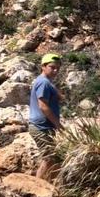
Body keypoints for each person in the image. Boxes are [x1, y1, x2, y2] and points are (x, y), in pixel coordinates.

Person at [29, 53, 62, 181]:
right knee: (48, 158)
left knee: (52, 158)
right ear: (43, 66)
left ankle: (47, 184)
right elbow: (43, 106)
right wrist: (58, 125)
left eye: (58, 68)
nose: (55, 71)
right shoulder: (43, 82)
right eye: (52, 67)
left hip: (45, 126)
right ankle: (37, 186)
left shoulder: (46, 82)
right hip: (40, 127)